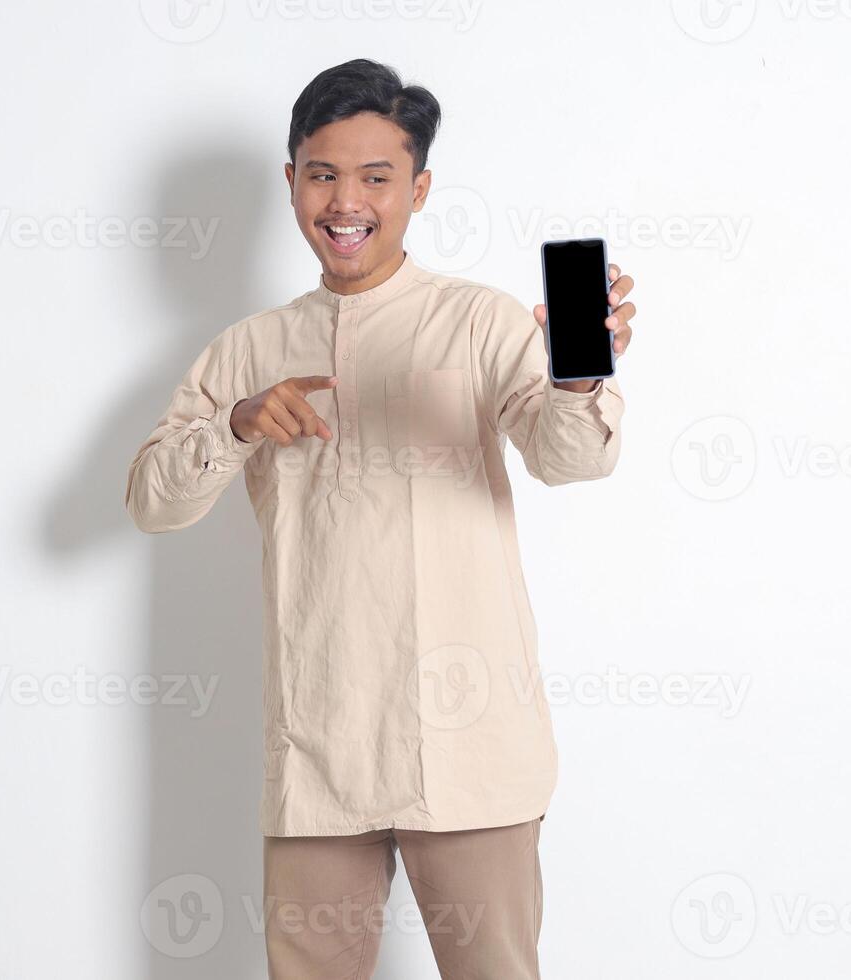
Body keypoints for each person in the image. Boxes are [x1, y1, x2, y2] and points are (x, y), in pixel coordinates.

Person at [125, 58, 636, 979]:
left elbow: (573, 458)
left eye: (376, 177)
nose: (346, 201)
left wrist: (576, 374)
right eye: (322, 174)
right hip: (320, 750)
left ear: (419, 188)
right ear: (290, 184)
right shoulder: (247, 348)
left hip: (472, 750)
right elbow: (153, 503)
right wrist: (237, 423)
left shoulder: (479, 324)